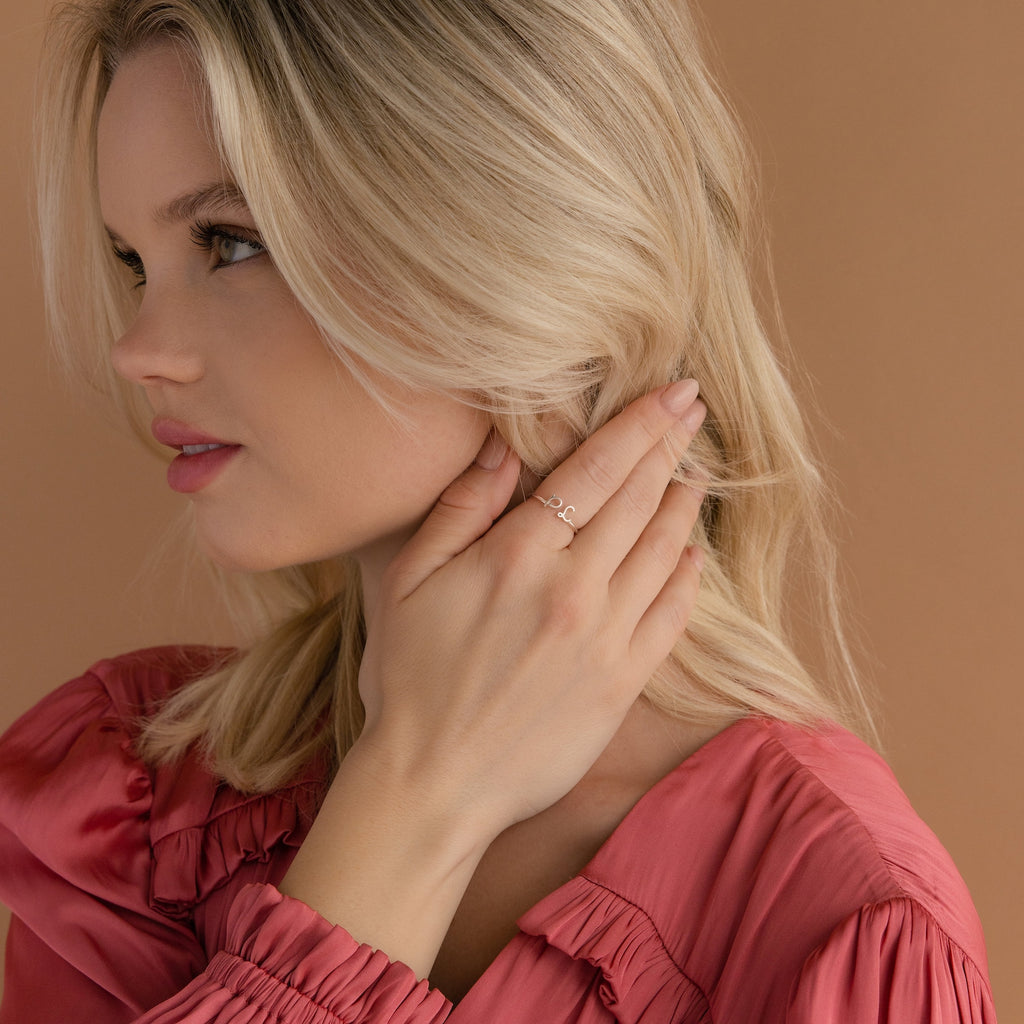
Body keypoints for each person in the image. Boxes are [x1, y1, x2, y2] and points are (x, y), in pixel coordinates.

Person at [0, 0, 997, 1020]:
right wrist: (415, 799)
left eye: (229, 242)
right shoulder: (129, 819)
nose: (139, 351)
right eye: (135, 264)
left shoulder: (842, 935)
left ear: (514, 241)